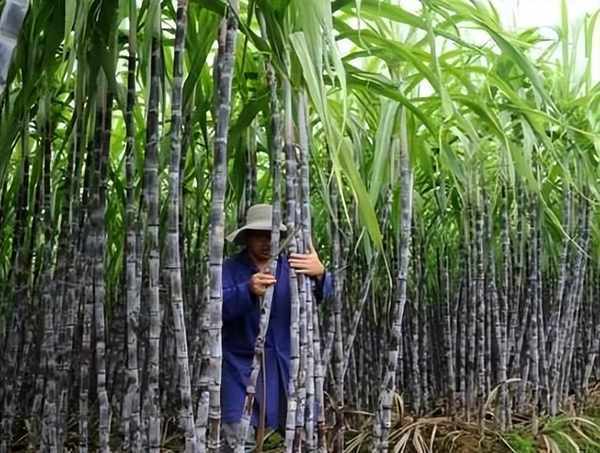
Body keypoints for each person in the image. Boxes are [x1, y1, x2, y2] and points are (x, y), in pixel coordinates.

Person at [220, 204, 332, 450]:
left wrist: (321, 273)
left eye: (272, 235)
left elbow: (325, 294)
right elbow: (215, 309)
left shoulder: (293, 267)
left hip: (287, 367)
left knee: (302, 436)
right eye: (260, 235)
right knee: (237, 440)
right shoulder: (230, 269)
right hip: (240, 368)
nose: (267, 242)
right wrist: (247, 290)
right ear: (247, 237)